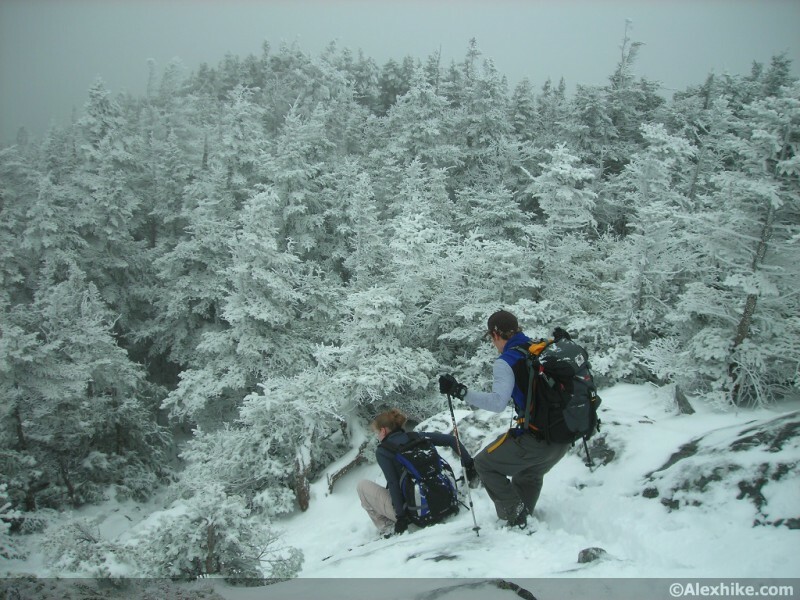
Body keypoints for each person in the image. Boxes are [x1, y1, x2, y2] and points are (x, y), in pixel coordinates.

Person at [439, 310, 571, 529]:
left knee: (483, 463)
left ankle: (517, 516)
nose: (493, 344)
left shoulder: (506, 361)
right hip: (562, 438)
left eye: (492, 339)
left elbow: (498, 403)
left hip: (538, 441)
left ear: (496, 334)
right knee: (527, 473)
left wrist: (461, 392)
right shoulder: (541, 348)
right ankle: (523, 518)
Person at [356, 408, 477, 536]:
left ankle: (388, 528)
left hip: (417, 515)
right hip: (446, 501)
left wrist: (401, 517)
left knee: (362, 486)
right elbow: (452, 440)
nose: (377, 436)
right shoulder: (417, 436)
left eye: (377, 433)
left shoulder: (384, 451)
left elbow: (393, 483)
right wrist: (469, 465)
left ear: (383, 430)